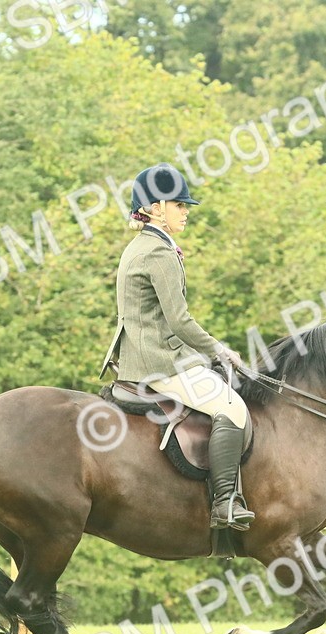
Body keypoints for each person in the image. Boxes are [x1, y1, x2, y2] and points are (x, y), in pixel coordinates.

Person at [98, 163, 254, 530]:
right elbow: (180, 321)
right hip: (158, 361)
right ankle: (225, 503)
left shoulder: (142, 245)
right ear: (155, 209)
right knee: (232, 408)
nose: (185, 212)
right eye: (179, 205)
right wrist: (219, 350)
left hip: (144, 352)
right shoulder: (158, 253)